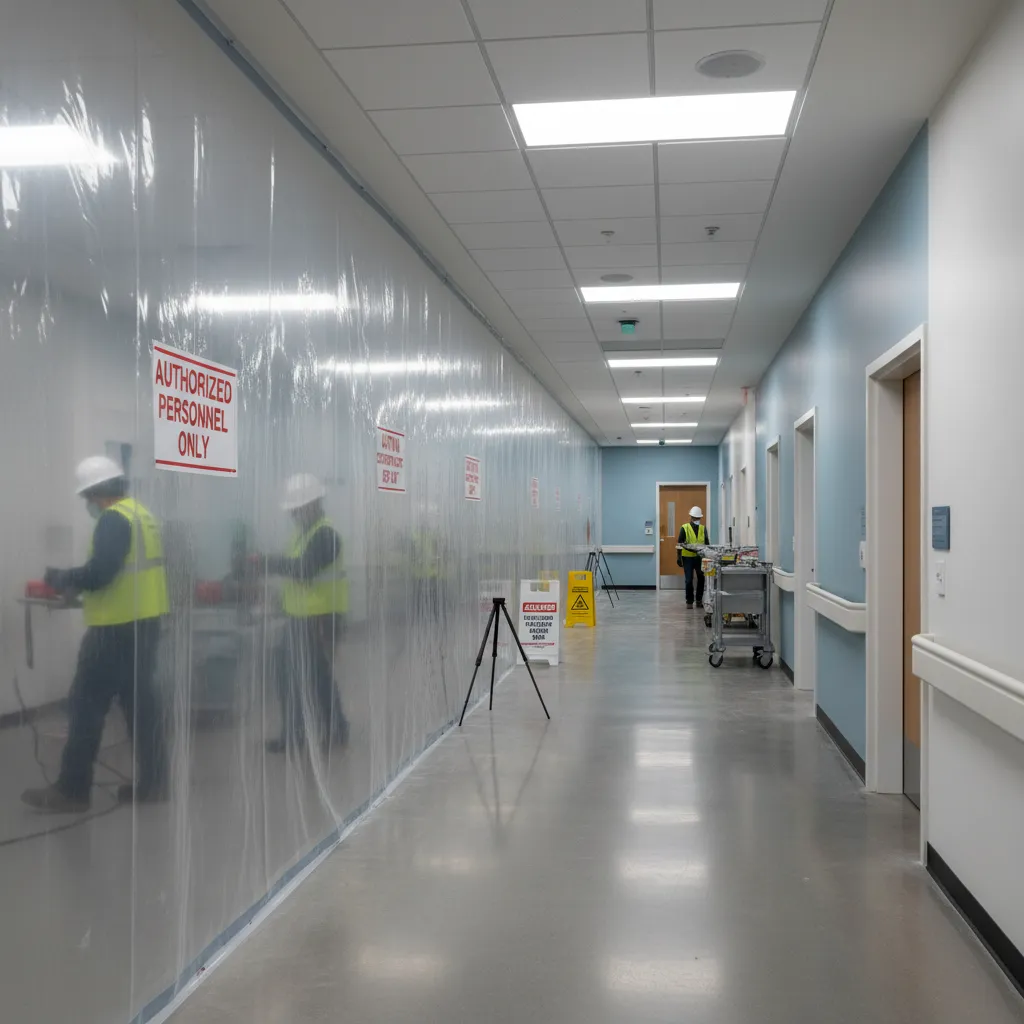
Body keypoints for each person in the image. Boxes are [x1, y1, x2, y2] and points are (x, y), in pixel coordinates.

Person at [22, 456, 169, 813]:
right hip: (144, 625)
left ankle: (72, 790)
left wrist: (64, 577)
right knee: (141, 709)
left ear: (96, 492)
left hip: (114, 631)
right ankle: (155, 784)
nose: (87, 503)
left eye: (87, 496)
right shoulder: (142, 515)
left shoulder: (114, 519)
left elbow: (102, 573)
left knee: (85, 706)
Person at [261, 474, 348, 754]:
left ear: (312, 504)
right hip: (302, 618)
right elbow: (295, 573)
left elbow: (303, 569)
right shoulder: (305, 533)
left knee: (309, 678)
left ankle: (320, 731)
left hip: (320, 620)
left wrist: (267, 562)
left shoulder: (326, 535)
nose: (294, 515)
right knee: (299, 676)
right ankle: (315, 731)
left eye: (297, 509)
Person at [677, 506, 709, 610]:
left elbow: (707, 543)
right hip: (687, 557)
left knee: (701, 578)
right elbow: (679, 543)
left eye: (698, 518)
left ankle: (699, 600)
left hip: (700, 557)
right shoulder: (684, 527)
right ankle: (689, 601)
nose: (697, 520)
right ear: (691, 517)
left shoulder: (703, 529)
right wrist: (678, 557)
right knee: (689, 580)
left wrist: (707, 555)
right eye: (695, 518)